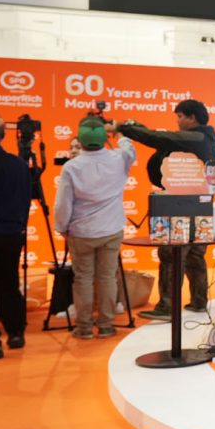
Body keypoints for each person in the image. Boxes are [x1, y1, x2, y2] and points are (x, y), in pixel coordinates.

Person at [116, 100, 215, 319]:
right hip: (198, 205)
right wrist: (137, 128)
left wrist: (125, 129)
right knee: (194, 256)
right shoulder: (202, 139)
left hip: (180, 206)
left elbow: (159, 138)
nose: (178, 121)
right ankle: (199, 301)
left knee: (172, 254)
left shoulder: (197, 138)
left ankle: (167, 307)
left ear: (192, 117)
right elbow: (161, 138)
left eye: (180, 116)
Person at [53, 116, 135, 339]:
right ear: (103, 138)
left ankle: (84, 328)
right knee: (108, 278)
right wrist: (118, 132)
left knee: (83, 279)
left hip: (81, 232)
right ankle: (106, 325)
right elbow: (129, 149)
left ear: (80, 140)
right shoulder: (119, 159)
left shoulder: (72, 166)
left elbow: (63, 204)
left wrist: (62, 226)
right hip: (111, 229)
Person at [0, 115, 32, 359]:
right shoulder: (18, 165)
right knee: (9, 283)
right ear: (3, 135)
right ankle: (16, 333)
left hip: (8, 230)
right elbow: (25, 199)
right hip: (10, 233)